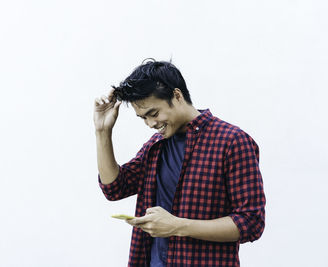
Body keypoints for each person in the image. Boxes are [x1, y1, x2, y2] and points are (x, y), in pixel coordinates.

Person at [93, 59, 266, 267]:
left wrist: (177, 226)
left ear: (177, 95)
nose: (150, 124)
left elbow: (251, 222)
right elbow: (114, 188)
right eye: (143, 118)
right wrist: (102, 131)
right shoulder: (156, 145)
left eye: (153, 114)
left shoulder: (232, 142)